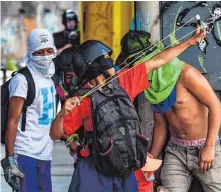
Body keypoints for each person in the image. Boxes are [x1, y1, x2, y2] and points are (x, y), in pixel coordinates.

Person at [50, 25, 205, 192]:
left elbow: (55, 134)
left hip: (104, 168)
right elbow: (157, 61)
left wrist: (190, 42)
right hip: (119, 167)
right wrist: (62, 113)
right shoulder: (120, 84)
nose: (112, 62)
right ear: (99, 64)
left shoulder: (95, 93)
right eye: (107, 58)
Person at [147, 47, 221, 191]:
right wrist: (152, 160)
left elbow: (216, 106)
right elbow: (160, 124)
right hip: (175, 151)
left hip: (204, 147)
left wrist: (209, 147)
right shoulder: (153, 86)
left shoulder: (186, 73)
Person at [1, 28, 57, 192]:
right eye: (39, 52)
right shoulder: (22, 80)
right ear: (31, 52)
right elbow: (12, 121)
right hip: (25, 154)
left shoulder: (51, 77)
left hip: (45, 154)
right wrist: (10, 160)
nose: (46, 55)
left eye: (49, 50)